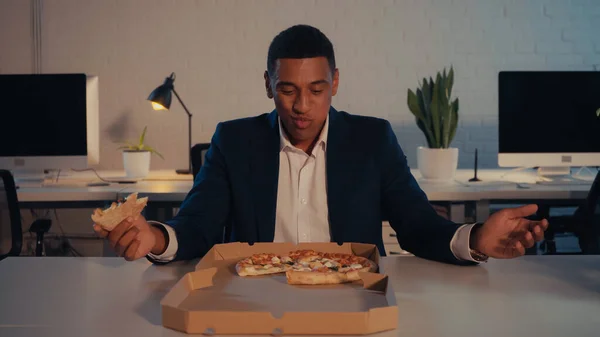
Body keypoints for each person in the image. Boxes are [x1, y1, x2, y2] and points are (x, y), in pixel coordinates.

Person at [94, 24, 548, 265]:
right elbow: (198, 224)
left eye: (316, 89)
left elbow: (415, 223)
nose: (302, 106)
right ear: (268, 85)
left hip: (351, 298)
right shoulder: (234, 140)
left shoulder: (372, 139)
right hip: (257, 298)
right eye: (287, 90)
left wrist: (474, 240)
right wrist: (155, 236)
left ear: (335, 83)